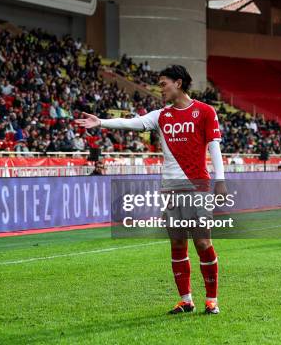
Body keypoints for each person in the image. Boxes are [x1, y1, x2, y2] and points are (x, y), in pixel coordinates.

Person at [75, 65, 225, 315]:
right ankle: (186, 300)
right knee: (177, 243)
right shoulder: (160, 116)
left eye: (163, 83)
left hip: (197, 186)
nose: (160, 89)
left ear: (178, 83)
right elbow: (131, 123)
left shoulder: (205, 112)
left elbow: (214, 146)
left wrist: (220, 179)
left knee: (202, 242)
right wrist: (100, 122)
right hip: (170, 189)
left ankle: (212, 300)